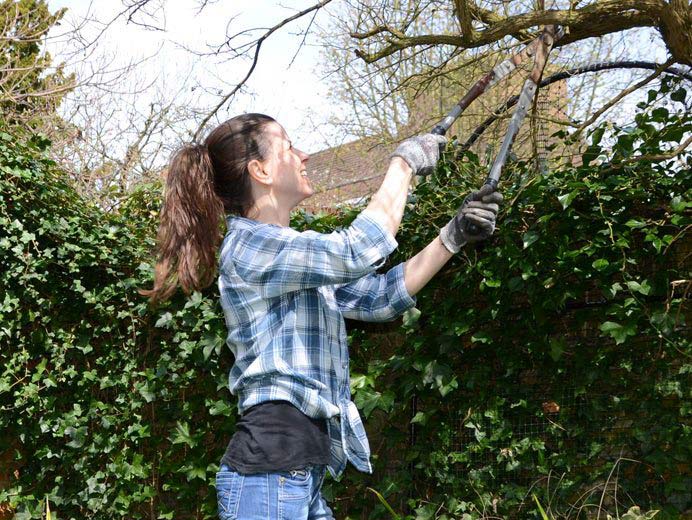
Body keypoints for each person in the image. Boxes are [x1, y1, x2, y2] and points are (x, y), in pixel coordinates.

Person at [144, 113, 502, 519]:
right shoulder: (250, 246)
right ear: (260, 170)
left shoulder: (292, 255)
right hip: (271, 473)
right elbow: (357, 250)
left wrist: (451, 237)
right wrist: (402, 166)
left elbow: (378, 298)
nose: (304, 155)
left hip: (296, 474)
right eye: (288, 148)